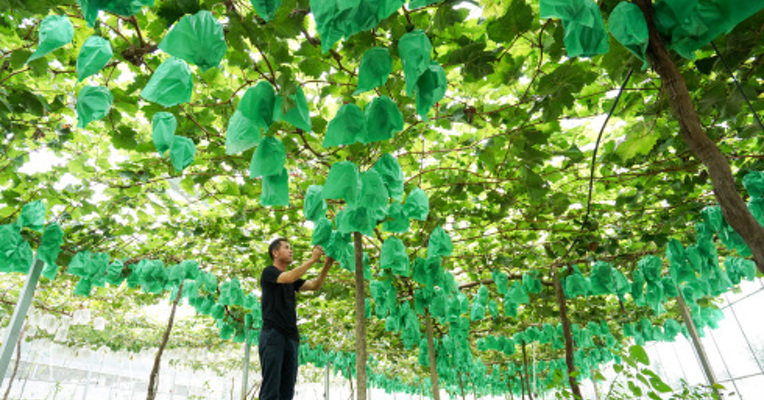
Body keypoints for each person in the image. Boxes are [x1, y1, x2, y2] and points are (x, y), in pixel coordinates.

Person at [258, 237, 333, 400]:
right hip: (273, 334)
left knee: (287, 391)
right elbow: (288, 278)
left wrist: (327, 264)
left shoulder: (292, 279)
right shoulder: (269, 272)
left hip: (291, 337)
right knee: (271, 390)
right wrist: (313, 260)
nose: (291, 250)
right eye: (287, 247)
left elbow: (314, 286)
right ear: (275, 252)